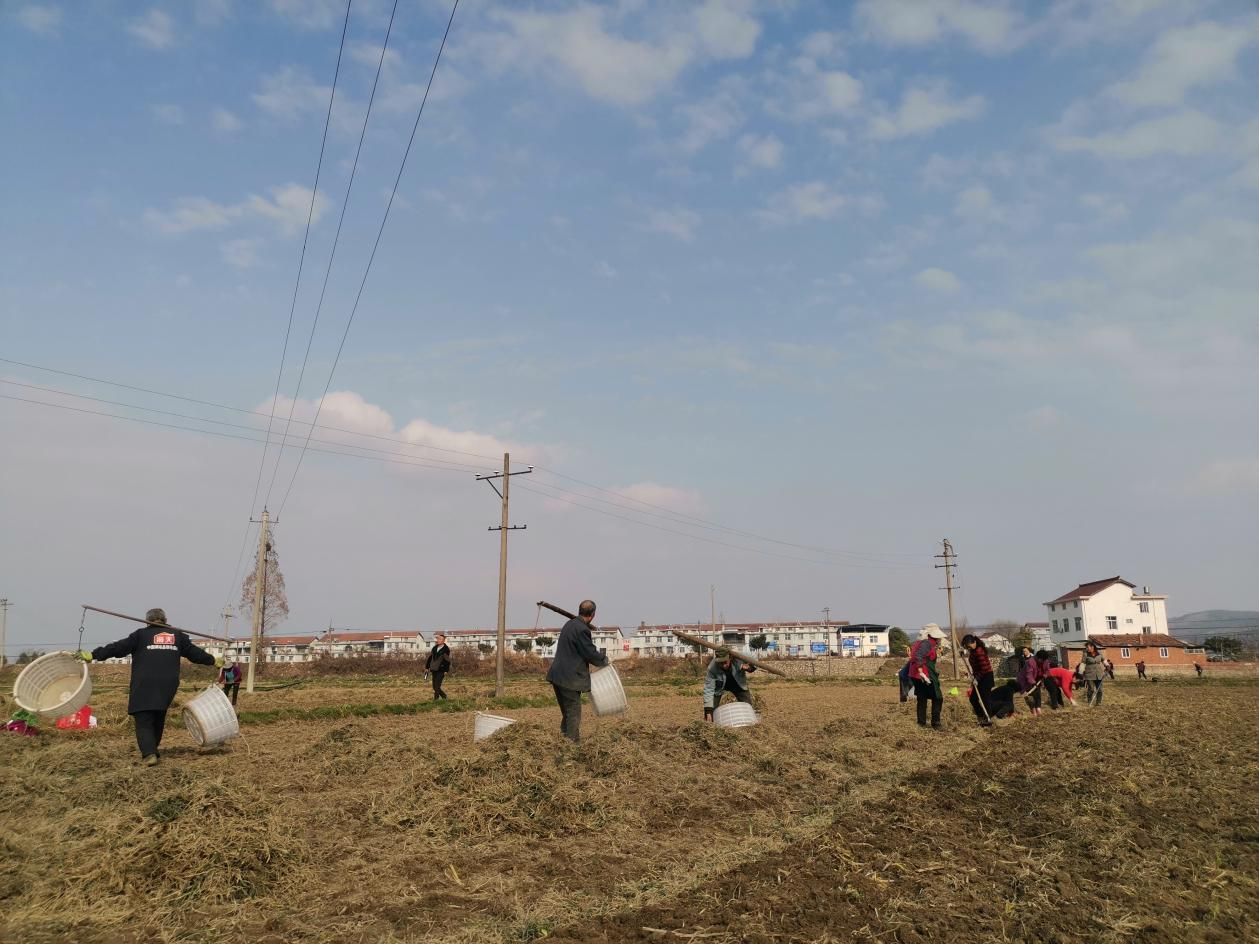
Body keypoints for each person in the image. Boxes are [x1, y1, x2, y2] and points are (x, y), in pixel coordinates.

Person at [77, 608, 219, 766]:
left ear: (147, 621)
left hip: (144, 683)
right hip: (168, 684)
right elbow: (195, 654)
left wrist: (93, 655)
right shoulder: (177, 636)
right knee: (158, 715)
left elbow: (117, 648)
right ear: (165, 619)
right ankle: (152, 749)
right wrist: (213, 660)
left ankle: (149, 753)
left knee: (144, 718)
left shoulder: (140, 635)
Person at [545, 600, 609, 742]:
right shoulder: (582, 629)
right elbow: (589, 652)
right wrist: (604, 661)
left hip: (558, 676)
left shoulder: (570, 624)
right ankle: (572, 748)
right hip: (569, 679)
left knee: (568, 715)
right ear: (593, 615)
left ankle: (563, 742)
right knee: (573, 714)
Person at [703, 646, 757, 720]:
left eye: (725, 662)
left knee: (747, 705)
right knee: (709, 712)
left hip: (738, 684)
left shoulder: (739, 656)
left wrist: (749, 667)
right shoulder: (712, 668)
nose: (723, 665)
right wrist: (708, 711)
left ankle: (749, 721)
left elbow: (754, 659)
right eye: (720, 663)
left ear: (730, 658)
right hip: (720, 686)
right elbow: (708, 689)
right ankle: (710, 725)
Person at [908, 625, 945, 729]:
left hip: (915, 674)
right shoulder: (927, 643)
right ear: (935, 637)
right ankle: (936, 723)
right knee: (938, 697)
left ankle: (921, 723)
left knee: (922, 698)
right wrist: (921, 671)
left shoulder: (921, 642)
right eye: (939, 638)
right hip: (924, 675)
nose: (940, 639)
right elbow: (919, 655)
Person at [961, 633, 993, 726]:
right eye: (967, 647)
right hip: (979, 677)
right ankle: (981, 716)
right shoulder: (973, 650)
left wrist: (977, 678)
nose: (969, 648)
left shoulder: (979, 651)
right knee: (973, 698)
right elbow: (976, 666)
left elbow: (984, 668)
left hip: (986, 677)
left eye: (969, 646)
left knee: (985, 699)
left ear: (974, 642)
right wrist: (962, 653)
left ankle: (988, 719)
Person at [1017, 646, 1043, 716]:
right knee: (1028, 696)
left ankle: (1038, 708)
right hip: (1024, 677)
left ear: (1029, 651)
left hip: (1033, 678)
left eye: (1025, 651)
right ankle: (1033, 709)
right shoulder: (1022, 658)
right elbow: (1020, 668)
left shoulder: (1034, 658)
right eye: (1023, 651)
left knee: (1037, 693)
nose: (1024, 652)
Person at [425, 632, 451, 701]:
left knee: (437, 685)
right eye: (438, 639)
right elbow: (430, 658)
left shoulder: (446, 649)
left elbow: (447, 661)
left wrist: (446, 670)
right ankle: (444, 696)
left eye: (440, 639)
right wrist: (427, 667)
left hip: (441, 669)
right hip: (434, 668)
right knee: (434, 686)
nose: (438, 640)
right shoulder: (434, 648)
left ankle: (436, 700)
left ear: (443, 640)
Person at [1080, 641, 1106, 706]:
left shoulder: (1099, 653)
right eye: (1086, 647)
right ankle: (1089, 701)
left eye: (1087, 647)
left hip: (1099, 674)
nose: (1087, 648)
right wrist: (1080, 672)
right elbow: (1083, 663)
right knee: (1091, 689)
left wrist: (1107, 666)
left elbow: (1103, 660)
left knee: (1099, 690)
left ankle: (1098, 702)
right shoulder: (1085, 654)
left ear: (1092, 647)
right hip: (1089, 674)